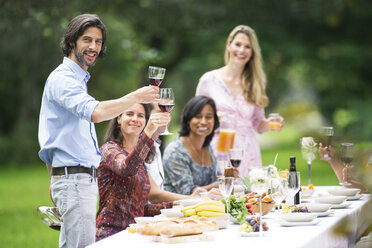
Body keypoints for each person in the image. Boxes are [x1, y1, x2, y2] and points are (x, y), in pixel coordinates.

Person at [38, 14, 159, 248]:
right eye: (87, 40)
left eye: (98, 41)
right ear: (72, 41)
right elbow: (95, 112)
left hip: (76, 178)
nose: (93, 47)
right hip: (75, 179)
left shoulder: (77, 81)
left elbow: (54, 135)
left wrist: (55, 178)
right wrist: (136, 96)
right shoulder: (63, 79)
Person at [96, 103, 220, 241]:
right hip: (110, 234)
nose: (135, 119)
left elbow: (143, 209)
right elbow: (127, 169)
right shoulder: (109, 150)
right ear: (119, 119)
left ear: (145, 121)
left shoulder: (139, 159)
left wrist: (191, 202)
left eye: (141, 116)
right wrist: (148, 133)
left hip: (133, 233)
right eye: (129, 114)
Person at [196, 25, 284, 177]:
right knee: (220, 195)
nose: (242, 50)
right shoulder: (209, 80)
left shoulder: (256, 83)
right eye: (238, 44)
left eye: (247, 46)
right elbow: (195, 118)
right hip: (219, 150)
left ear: (252, 52)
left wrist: (271, 123)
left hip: (248, 154)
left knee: (250, 198)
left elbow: (258, 124)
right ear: (229, 44)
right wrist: (215, 119)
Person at [163, 96, 222, 195]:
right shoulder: (175, 151)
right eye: (198, 117)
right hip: (178, 208)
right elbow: (187, 191)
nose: (203, 122)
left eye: (208, 117)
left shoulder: (207, 147)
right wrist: (223, 184)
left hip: (207, 207)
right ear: (188, 119)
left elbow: (218, 179)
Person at [144, 104, 165, 189]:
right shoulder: (141, 149)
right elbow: (153, 195)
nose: (166, 117)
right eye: (160, 112)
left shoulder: (156, 146)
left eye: (167, 113)